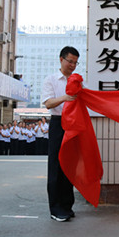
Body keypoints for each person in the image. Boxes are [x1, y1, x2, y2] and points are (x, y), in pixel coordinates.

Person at [42, 46, 79, 222]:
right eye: (70, 61)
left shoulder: (77, 80)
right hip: (58, 123)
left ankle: (67, 205)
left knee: (69, 166)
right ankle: (55, 208)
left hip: (73, 125)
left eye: (75, 62)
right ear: (61, 59)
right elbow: (48, 103)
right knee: (56, 166)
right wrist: (65, 97)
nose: (72, 65)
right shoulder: (51, 80)